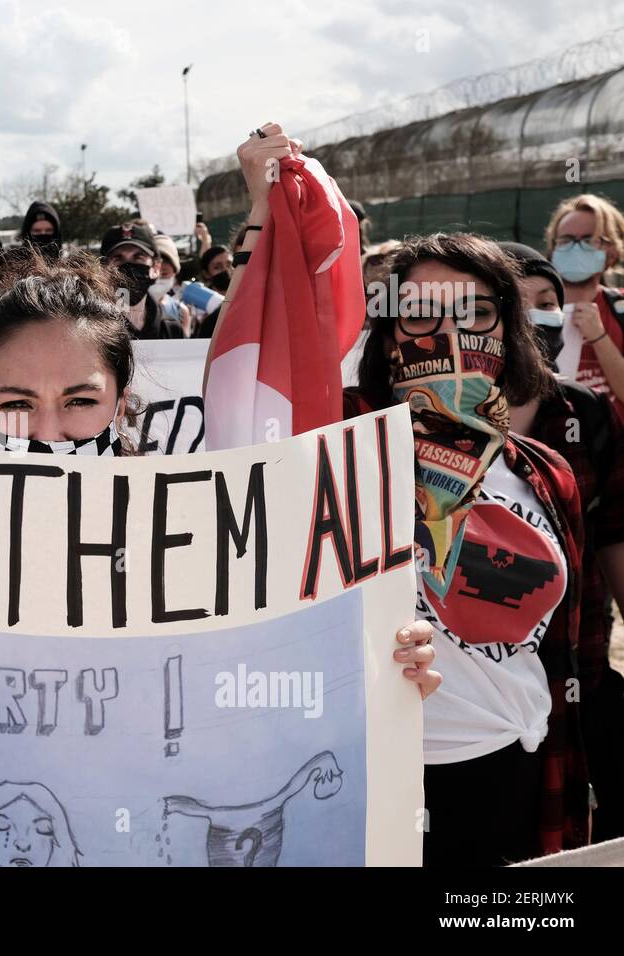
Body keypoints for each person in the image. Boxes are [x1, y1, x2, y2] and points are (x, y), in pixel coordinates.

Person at [0, 245, 441, 851]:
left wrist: (375, 664)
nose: (48, 430)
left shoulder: (204, 540)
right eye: (15, 403)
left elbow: (270, 704)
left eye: (78, 401)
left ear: (122, 399)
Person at [214, 121, 583, 867]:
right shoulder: (337, 445)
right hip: (368, 773)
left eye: (473, 312)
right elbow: (253, 385)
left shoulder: (546, 471)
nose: (448, 332)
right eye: (420, 314)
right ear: (386, 339)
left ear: (508, 331)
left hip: (511, 766)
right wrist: (264, 208)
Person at [501, 241, 624, 843]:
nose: (538, 320)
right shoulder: (433, 421)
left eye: (547, 303)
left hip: (582, 669)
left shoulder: (588, 416)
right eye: (518, 307)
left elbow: (614, 537)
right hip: (483, 690)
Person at [545, 194, 624, 405]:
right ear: (553, 248)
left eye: (589, 240)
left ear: (612, 252)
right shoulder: (530, 309)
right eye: (566, 240)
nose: (575, 248)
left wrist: (599, 337)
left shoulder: (620, 308)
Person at [100, 221, 184, 340]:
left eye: (138, 257)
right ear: (104, 270)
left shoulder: (171, 330)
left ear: (156, 268)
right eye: (118, 258)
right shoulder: (94, 331)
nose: (129, 266)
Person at [152, 233, 193, 334]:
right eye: (154, 272)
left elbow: (184, 346)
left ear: (175, 272)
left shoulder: (181, 311)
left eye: (164, 273)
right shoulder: (128, 306)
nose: (158, 279)